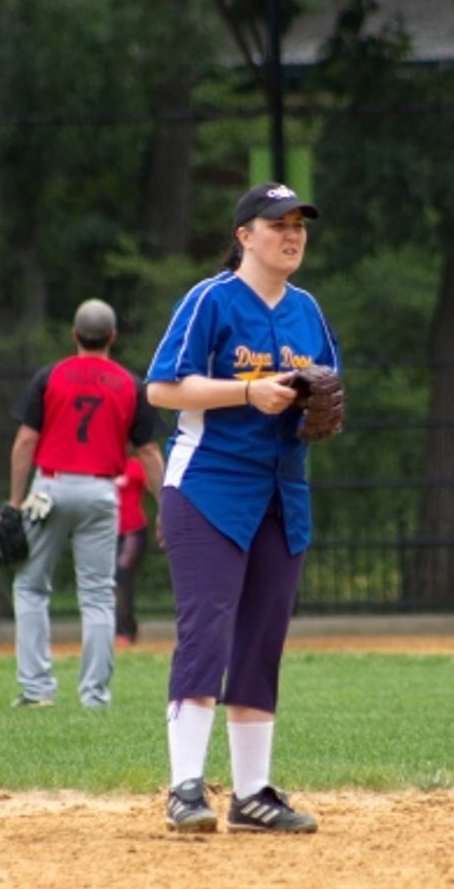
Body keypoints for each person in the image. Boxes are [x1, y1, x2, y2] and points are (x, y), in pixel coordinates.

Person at [146, 181, 338, 834]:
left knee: (261, 638)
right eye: (276, 222)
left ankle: (253, 795)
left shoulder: (309, 310)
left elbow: (327, 386)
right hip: (208, 487)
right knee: (208, 628)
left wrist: (315, 403)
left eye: (299, 225)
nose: (291, 234)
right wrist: (249, 391)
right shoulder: (211, 300)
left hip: (284, 491)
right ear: (244, 235)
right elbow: (163, 387)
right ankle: (185, 789)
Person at [5, 299, 164, 708]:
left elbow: (25, 440)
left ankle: (38, 690)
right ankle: (94, 695)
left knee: (30, 586)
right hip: (100, 491)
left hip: (51, 488)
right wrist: (166, 506)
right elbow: (147, 453)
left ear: (74, 336)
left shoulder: (50, 376)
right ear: (112, 337)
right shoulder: (131, 383)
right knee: (96, 594)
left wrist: (14, 500)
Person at [113, 454, 150, 646]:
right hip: (109, 532)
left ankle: (126, 630)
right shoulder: (104, 465)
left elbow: (153, 485)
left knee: (122, 576)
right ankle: (115, 629)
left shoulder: (134, 466)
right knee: (107, 580)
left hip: (132, 531)